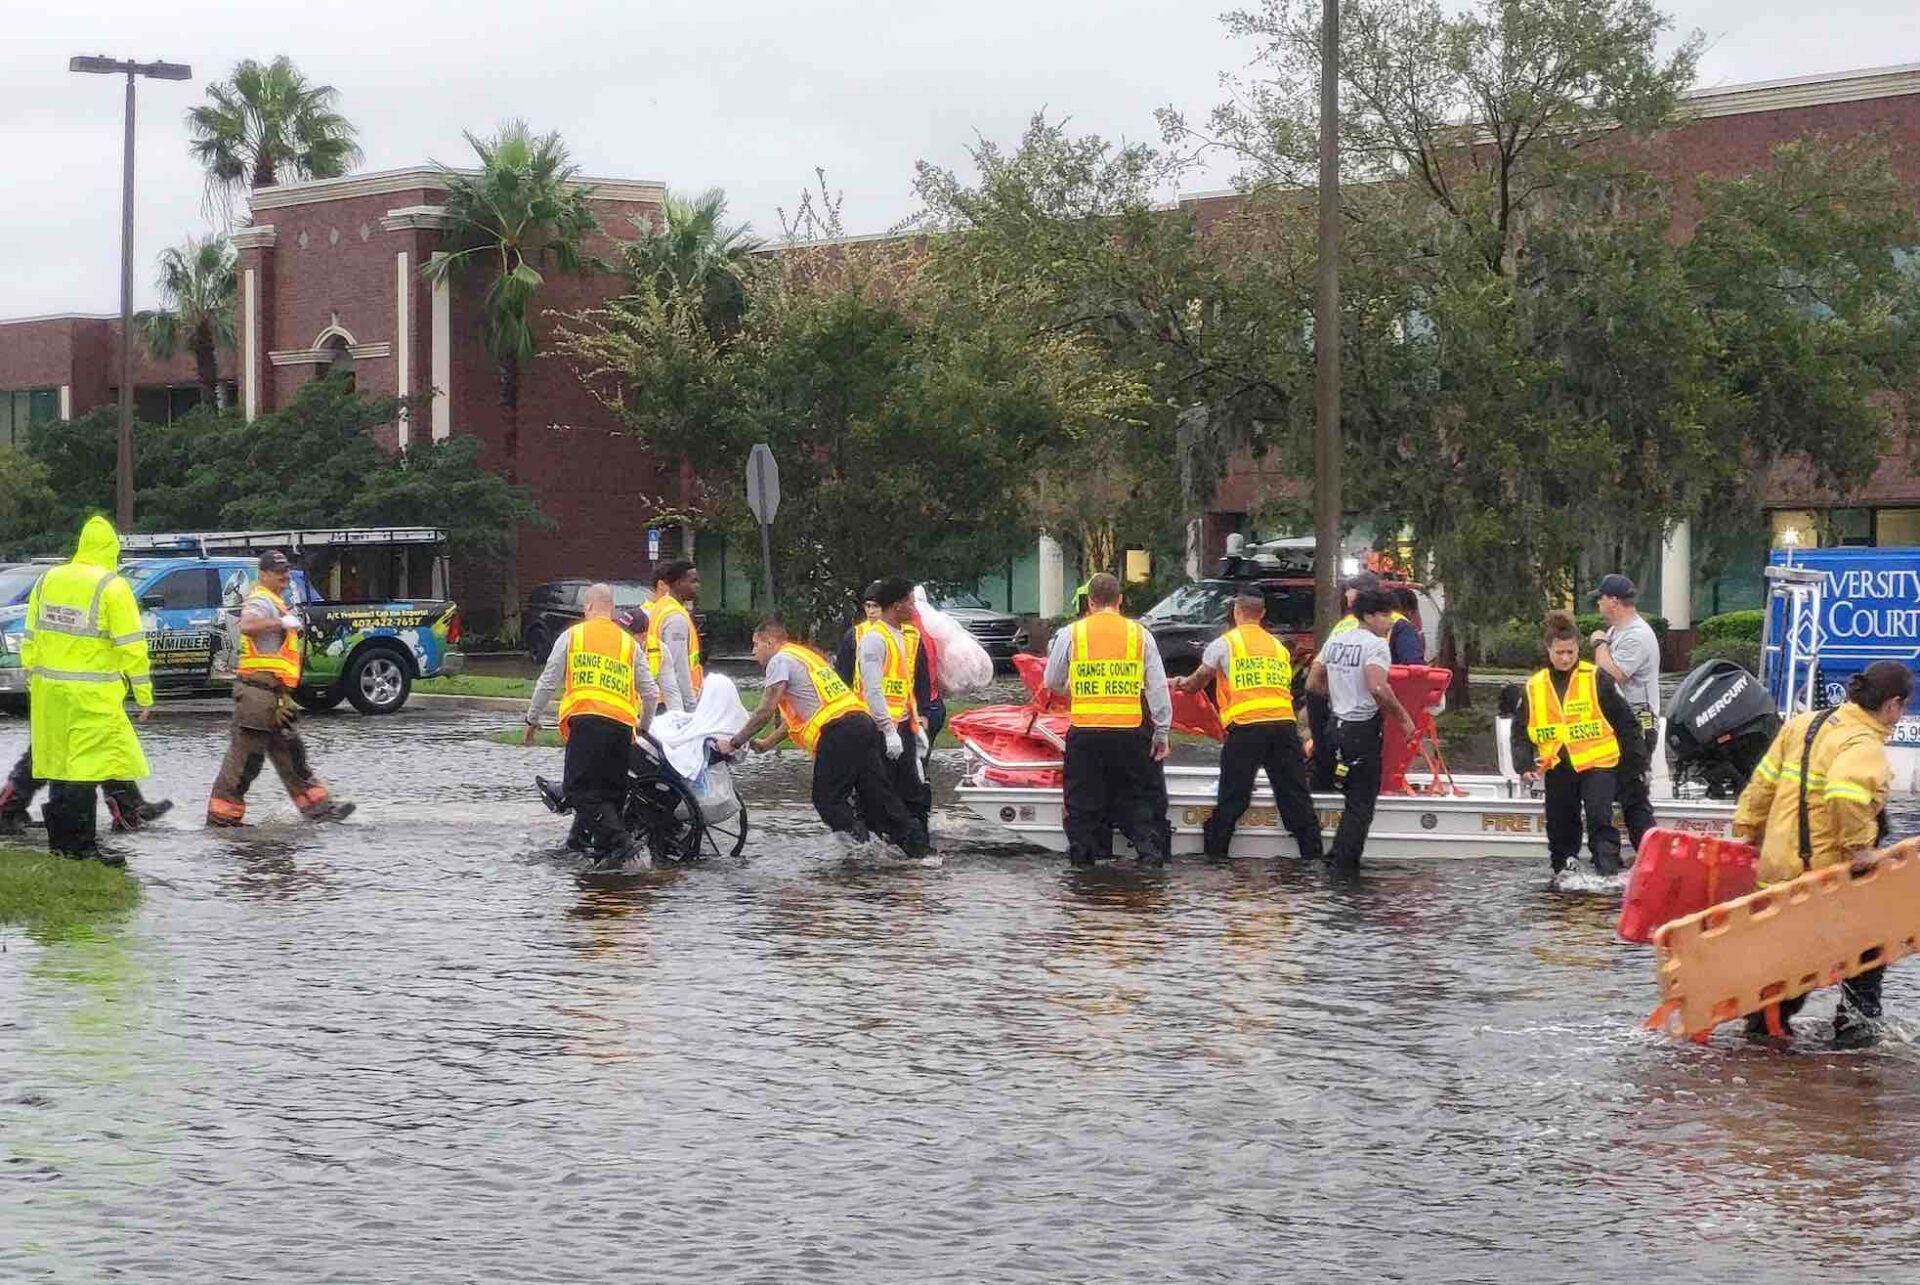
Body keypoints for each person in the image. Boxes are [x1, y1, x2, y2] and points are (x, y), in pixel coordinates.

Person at [1731, 660, 1914, 1047]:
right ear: (1893, 705)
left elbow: (1763, 780)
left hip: (1778, 866)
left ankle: (1762, 1035)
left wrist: (1746, 827)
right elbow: (1845, 794)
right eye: (1902, 708)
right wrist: (1861, 850)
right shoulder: (1863, 743)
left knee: (1791, 960)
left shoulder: (1806, 723)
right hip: (1821, 875)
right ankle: (1857, 1040)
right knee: (1868, 952)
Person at [17, 516, 167, 863]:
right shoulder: (112, 586)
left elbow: (30, 635)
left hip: (48, 692)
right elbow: (132, 646)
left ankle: (61, 846)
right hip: (91, 695)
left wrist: (33, 676)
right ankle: (83, 849)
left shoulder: (48, 579)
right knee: (85, 770)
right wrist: (144, 694)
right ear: (111, 548)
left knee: (59, 767)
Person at [716, 619, 927, 857]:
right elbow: (801, 714)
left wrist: (733, 743)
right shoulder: (804, 656)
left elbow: (765, 710)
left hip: (838, 732)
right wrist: (767, 743)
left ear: (769, 641)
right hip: (861, 724)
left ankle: (864, 851)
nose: (754, 652)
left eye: (755, 645)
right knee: (877, 795)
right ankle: (917, 847)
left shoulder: (779, 660)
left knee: (827, 800)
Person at [206, 551, 355, 828]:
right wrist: (280, 622)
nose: (285, 576)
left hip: (275, 697)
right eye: (278, 571)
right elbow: (248, 626)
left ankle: (320, 812)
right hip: (256, 695)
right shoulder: (261, 599)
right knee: (246, 760)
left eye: (286, 571)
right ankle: (222, 819)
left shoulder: (276, 601)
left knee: (293, 756)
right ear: (263, 574)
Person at [1175, 590, 1322, 861]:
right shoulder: (1278, 648)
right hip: (1283, 727)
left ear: (1236, 612)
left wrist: (1179, 683)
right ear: (1262, 614)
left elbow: (1197, 682)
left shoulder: (1225, 644)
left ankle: (1216, 856)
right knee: (1295, 795)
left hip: (1247, 729)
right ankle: (1312, 856)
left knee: (1234, 796)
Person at [1043, 572, 1172, 867]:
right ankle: (1149, 860)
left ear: (1089, 601)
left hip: (1086, 732)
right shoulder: (1140, 634)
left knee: (1082, 804)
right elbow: (1157, 688)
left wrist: (1071, 687)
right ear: (1120, 601)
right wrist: (1161, 732)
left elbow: (1052, 680)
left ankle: (1084, 867)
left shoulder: (1071, 634)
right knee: (1138, 798)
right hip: (1130, 732)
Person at [524, 582, 658, 865]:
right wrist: (642, 726)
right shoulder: (629, 643)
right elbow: (650, 692)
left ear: (587, 607)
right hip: (622, 726)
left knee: (577, 791)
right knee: (607, 792)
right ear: (611, 609)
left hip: (587, 723)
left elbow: (548, 681)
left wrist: (532, 718)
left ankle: (620, 842)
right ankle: (579, 844)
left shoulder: (573, 636)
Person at [1507, 609, 1642, 879]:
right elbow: (1520, 732)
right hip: (1558, 765)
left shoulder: (1596, 678)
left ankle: (1607, 874)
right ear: (1549, 650)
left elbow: (1626, 723)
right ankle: (1562, 872)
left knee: (1599, 819)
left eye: (1571, 652)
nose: (1566, 658)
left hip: (1598, 764)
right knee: (1560, 826)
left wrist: (1635, 766)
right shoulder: (1534, 686)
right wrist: (1523, 765)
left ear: (1578, 649)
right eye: (1560, 653)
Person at [1306, 590, 1418, 876]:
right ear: (1368, 616)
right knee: (1361, 803)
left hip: (1336, 726)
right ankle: (1344, 866)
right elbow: (1377, 686)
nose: (1390, 622)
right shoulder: (1375, 645)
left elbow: (1313, 682)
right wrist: (1404, 718)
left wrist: (1336, 698)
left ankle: (1334, 856)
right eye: (1384, 616)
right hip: (1361, 727)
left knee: (1349, 795)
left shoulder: (1336, 640)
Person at [853, 577, 932, 829]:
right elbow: (872, 689)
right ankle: (887, 843)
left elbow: (908, 684)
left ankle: (912, 844)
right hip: (880, 728)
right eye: (910, 602)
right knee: (881, 791)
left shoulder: (902, 635)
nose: (914, 608)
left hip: (903, 725)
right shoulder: (875, 639)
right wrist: (888, 730)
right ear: (897, 605)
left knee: (912, 789)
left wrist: (916, 722)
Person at [1589, 573, 1659, 849]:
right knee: (1613, 787)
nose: (1598, 604)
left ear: (1614, 601)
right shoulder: (1617, 632)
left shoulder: (1638, 636)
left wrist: (1598, 644)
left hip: (1637, 723)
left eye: (1601, 599)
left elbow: (1611, 674)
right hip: (1616, 723)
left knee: (1632, 792)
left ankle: (1648, 850)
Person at [0, 749, 171, 837]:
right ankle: (7, 809)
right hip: (64, 698)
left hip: (76, 698)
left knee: (98, 747)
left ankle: (129, 807)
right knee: (49, 751)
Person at [646, 560, 704, 715]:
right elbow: (678, 667)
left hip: (659, 698)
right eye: (693, 581)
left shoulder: (661, 607)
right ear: (678, 583)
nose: (697, 586)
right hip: (671, 704)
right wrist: (689, 707)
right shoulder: (675, 617)